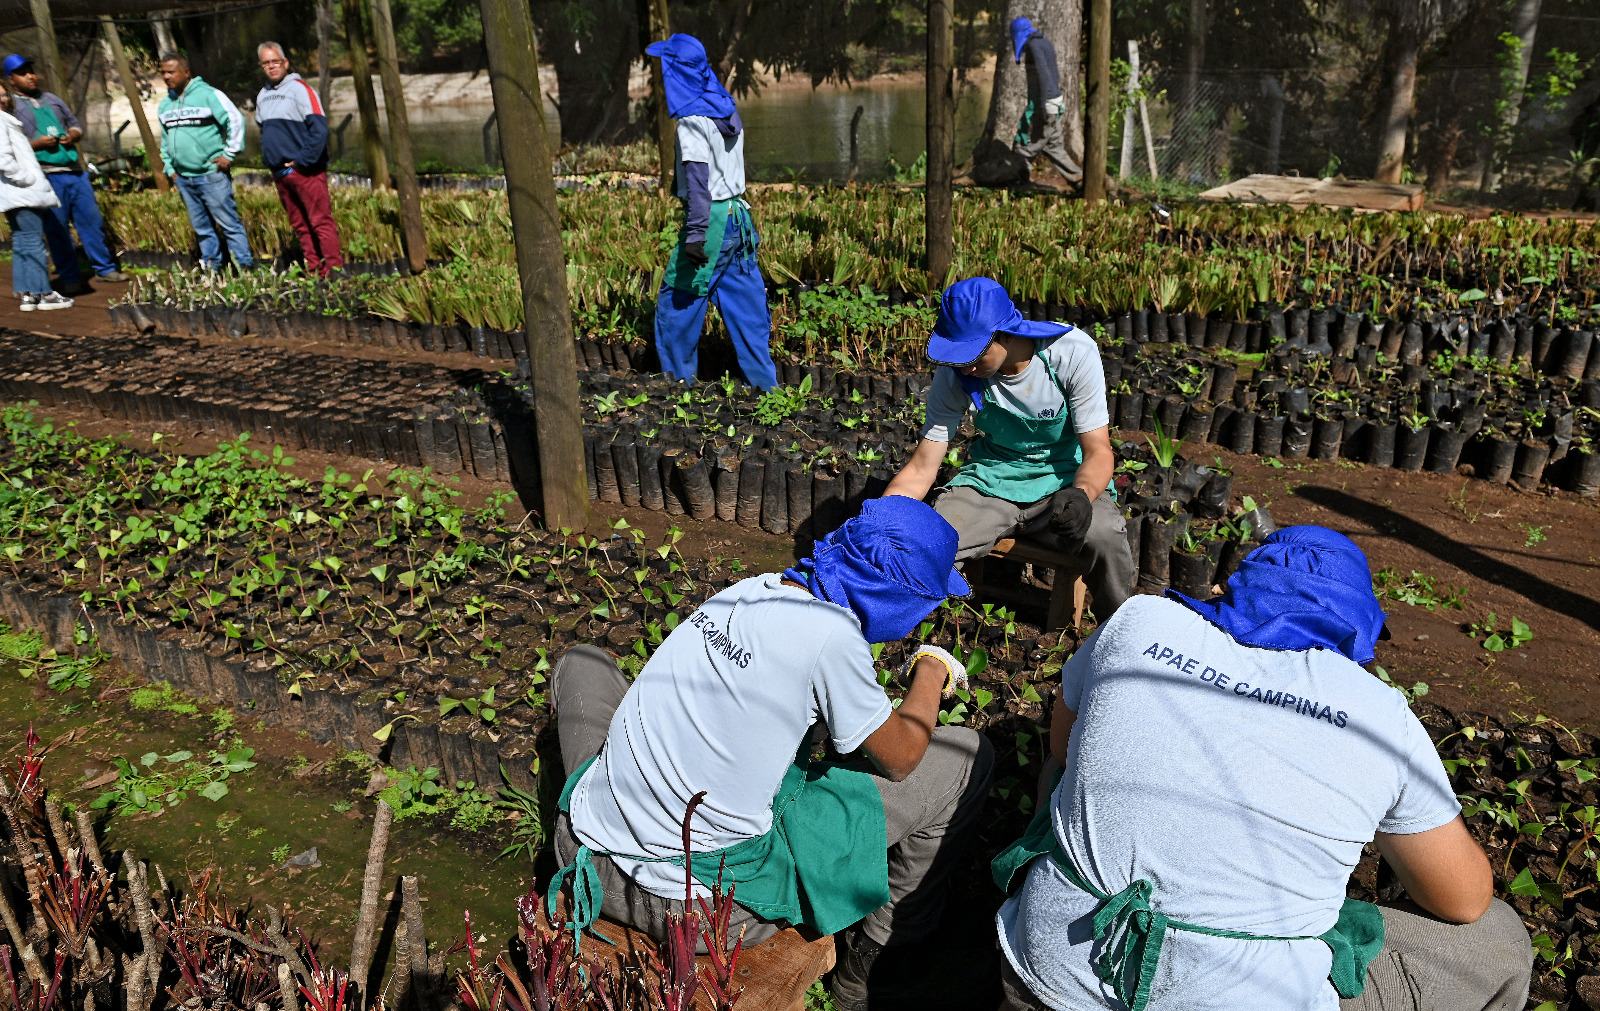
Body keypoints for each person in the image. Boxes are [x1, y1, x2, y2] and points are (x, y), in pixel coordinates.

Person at [992, 526, 1533, 1011]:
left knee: (1060, 777)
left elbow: (1062, 745)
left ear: (1228, 588)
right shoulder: (1380, 716)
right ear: (1357, 625)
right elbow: (1463, 901)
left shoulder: (1139, 619)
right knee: (1498, 938)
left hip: (1051, 977)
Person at [550, 495, 993, 1011]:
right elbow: (901, 757)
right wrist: (932, 671)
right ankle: (873, 966)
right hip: (692, 905)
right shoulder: (832, 639)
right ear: (901, 597)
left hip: (584, 851)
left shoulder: (749, 591)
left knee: (583, 663)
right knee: (966, 759)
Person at [884, 277, 1133, 622]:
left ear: (1005, 334)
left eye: (974, 355)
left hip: (1062, 481)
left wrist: (1082, 493)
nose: (965, 367)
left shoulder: (1070, 352)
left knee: (1105, 535)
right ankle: (901, 624)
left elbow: (1099, 451)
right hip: (992, 480)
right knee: (930, 543)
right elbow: (922, 468)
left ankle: (1121, 630)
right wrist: (881, 521)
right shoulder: (956, 373)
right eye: (957, 357)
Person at [645, 33, 777, 392]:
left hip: (713, 223)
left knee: (677, 301)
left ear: (676, 71)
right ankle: (767, 387)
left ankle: (678, 388)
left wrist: (696, 235)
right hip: (738, 218)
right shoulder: (725, 106)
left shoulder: (691, 122)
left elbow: (699, 184)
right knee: (744, 304)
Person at [3, 54, 127, 288]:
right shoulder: (12, 108)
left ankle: (104, 269)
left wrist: (73, 135)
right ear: (11, 79)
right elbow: (11, 146)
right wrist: (37, 144)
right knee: (58, 229)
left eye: (31, 70)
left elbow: (75, 124)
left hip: (74, 171)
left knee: (91, 221)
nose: (31, 76)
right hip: (47, 174)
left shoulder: (52, 99)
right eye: (23, 73)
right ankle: (69, 278)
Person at [157, 53, 254, 271]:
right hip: (183, 179)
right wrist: (171, 170)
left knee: (229, 224)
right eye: (163, 72)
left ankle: (245, 268)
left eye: (171, 71)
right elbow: (165, 141)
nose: (166, 76)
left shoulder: (209, 95)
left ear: (186, 72)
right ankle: (213, 268)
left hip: (211, 175)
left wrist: (229, 154)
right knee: (202, 228)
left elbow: (235, 120)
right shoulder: (165, 105)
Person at [255, 42, 342, 277]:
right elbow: (264, 131)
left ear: (285, 63)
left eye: (275, 61)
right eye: (266, 62)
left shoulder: (301, 89)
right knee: (301, 226)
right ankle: (314, 271)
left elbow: (319, 131)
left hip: (305, 172)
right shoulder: (263, 95)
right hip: (280, 175)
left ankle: (334, 271)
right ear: (261, 66)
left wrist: (301, 162)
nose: (271, 66)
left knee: (319, 222)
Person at [0, 87, 72, 311]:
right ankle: (44, 293)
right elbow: (3, 159)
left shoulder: (6, 120)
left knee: (22, 241)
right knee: (32, 241)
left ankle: (28, 294)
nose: (3, 99)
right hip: (22, 193)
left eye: (4, 94)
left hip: (12, 194)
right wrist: (28, 179)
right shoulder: (1, 122)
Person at [1008, 18, 1082, 185]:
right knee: (1053, 145)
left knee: (1027, 145)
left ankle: (1019, 180)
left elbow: (1043, 75)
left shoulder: (1034, 46)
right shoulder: (1044, 41)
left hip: (1046, 104)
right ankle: (1078, 179)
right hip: (1054, 101)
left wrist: (1041, 105)